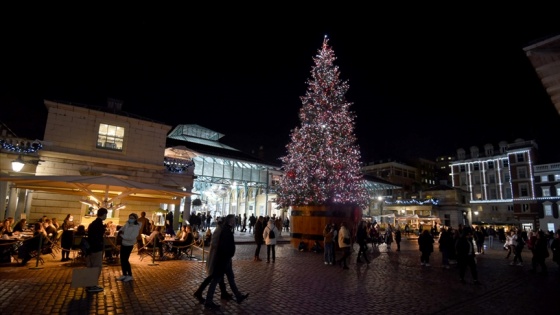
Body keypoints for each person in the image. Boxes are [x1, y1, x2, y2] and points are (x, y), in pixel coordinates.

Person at [204, 214, 249, 309]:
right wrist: (228, 255)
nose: (234, 222)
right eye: (233, 221)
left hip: (226, 259)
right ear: (230, 221)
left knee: (230, 278)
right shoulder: (225, 231)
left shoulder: (225, 229)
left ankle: (238, 296)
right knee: (216, 279)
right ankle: (208, 301)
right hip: (223, 259)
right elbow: (224, 246)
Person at [85, 207, 108, 293]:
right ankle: (92, 285)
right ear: (104, 214)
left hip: (90, 248)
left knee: (90, 267)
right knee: (96, 266)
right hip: (96, 248)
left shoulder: (93, 223)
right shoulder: (99, 224)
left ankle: (89, 284)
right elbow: (98, 237)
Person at [116, 213, 143, 282]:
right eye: (130, 217)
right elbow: (121, 230)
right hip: (123, 243)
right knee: (122, 259)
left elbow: (132, 237)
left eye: (132, 218)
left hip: (129, 244)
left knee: (125, 259)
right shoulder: (127, 224)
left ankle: (130, 275)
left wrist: (122, 236)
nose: (130, 219)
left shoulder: (136, 227)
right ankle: (124, 274)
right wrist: (120, 232)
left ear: (135, 219)